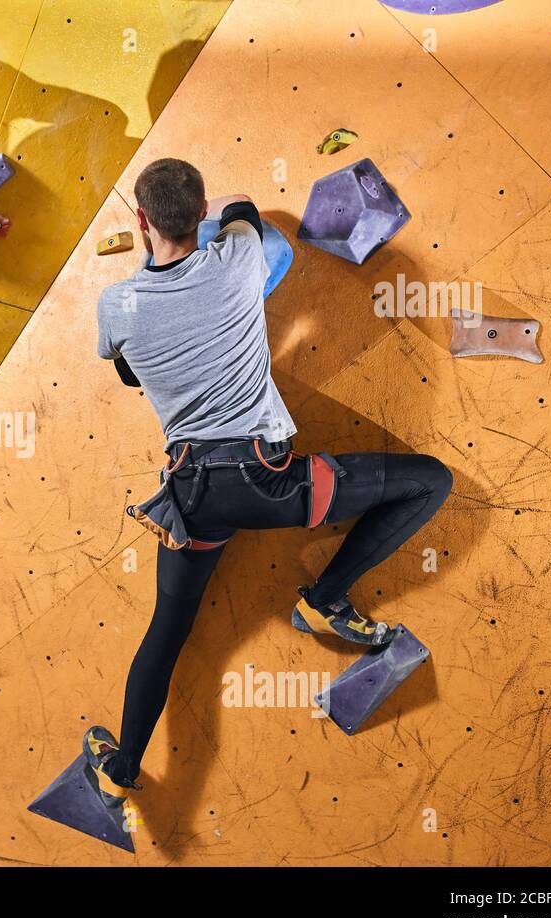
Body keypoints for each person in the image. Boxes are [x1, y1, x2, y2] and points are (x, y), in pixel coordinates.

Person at [84, 158, 453, 809]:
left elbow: (132, 376)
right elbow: (246, 200)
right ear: (201, 217)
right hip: (272, 485)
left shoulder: (116, 304)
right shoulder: (237, 255)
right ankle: (325, 598)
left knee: (166, 633)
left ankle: (123, 766)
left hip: (191, 499)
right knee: (431, 482)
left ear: (140, 222)